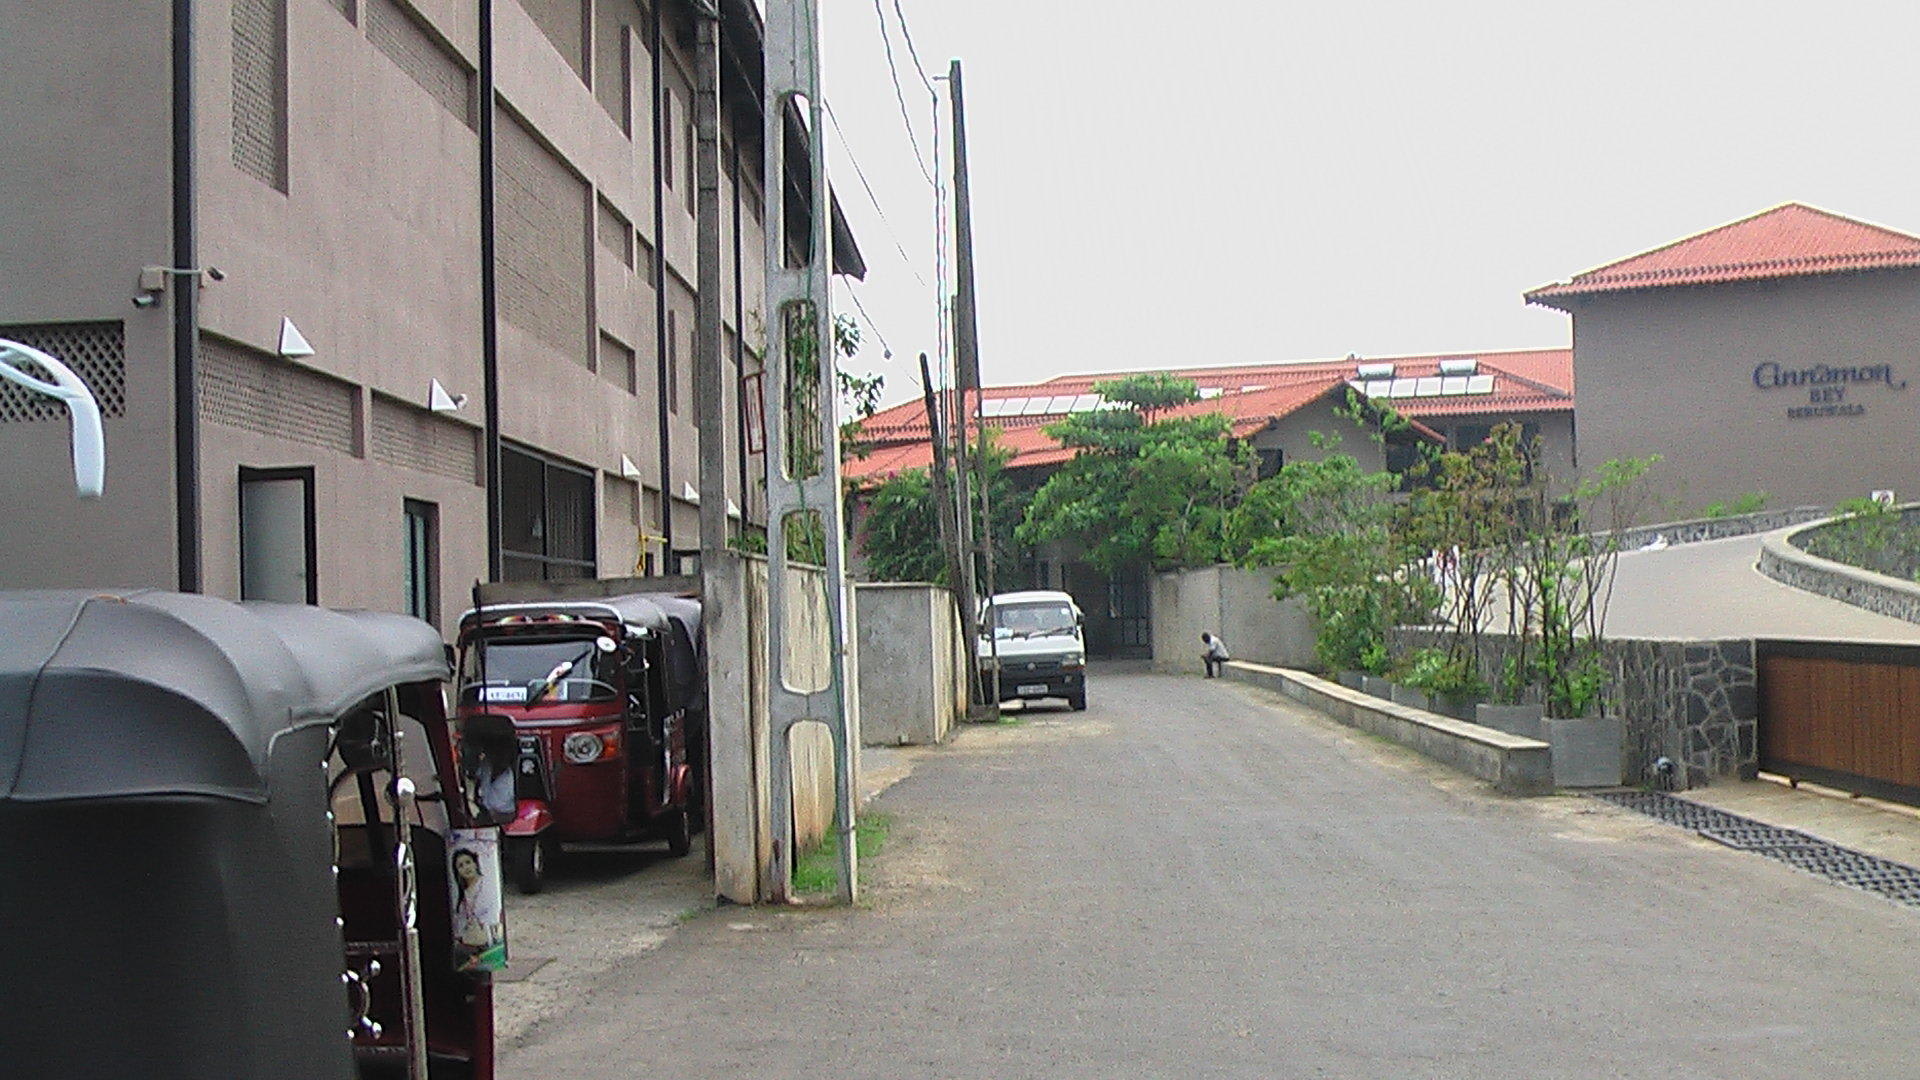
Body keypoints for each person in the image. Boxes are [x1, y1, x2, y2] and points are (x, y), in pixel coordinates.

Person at [451, 847, 505, 971]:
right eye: (461, 866)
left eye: (468, 862)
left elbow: (494, 915)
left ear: (475, 863)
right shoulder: (462, 894)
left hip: (489, 939)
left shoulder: (486, 885)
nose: (466, 867)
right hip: (470, 942)